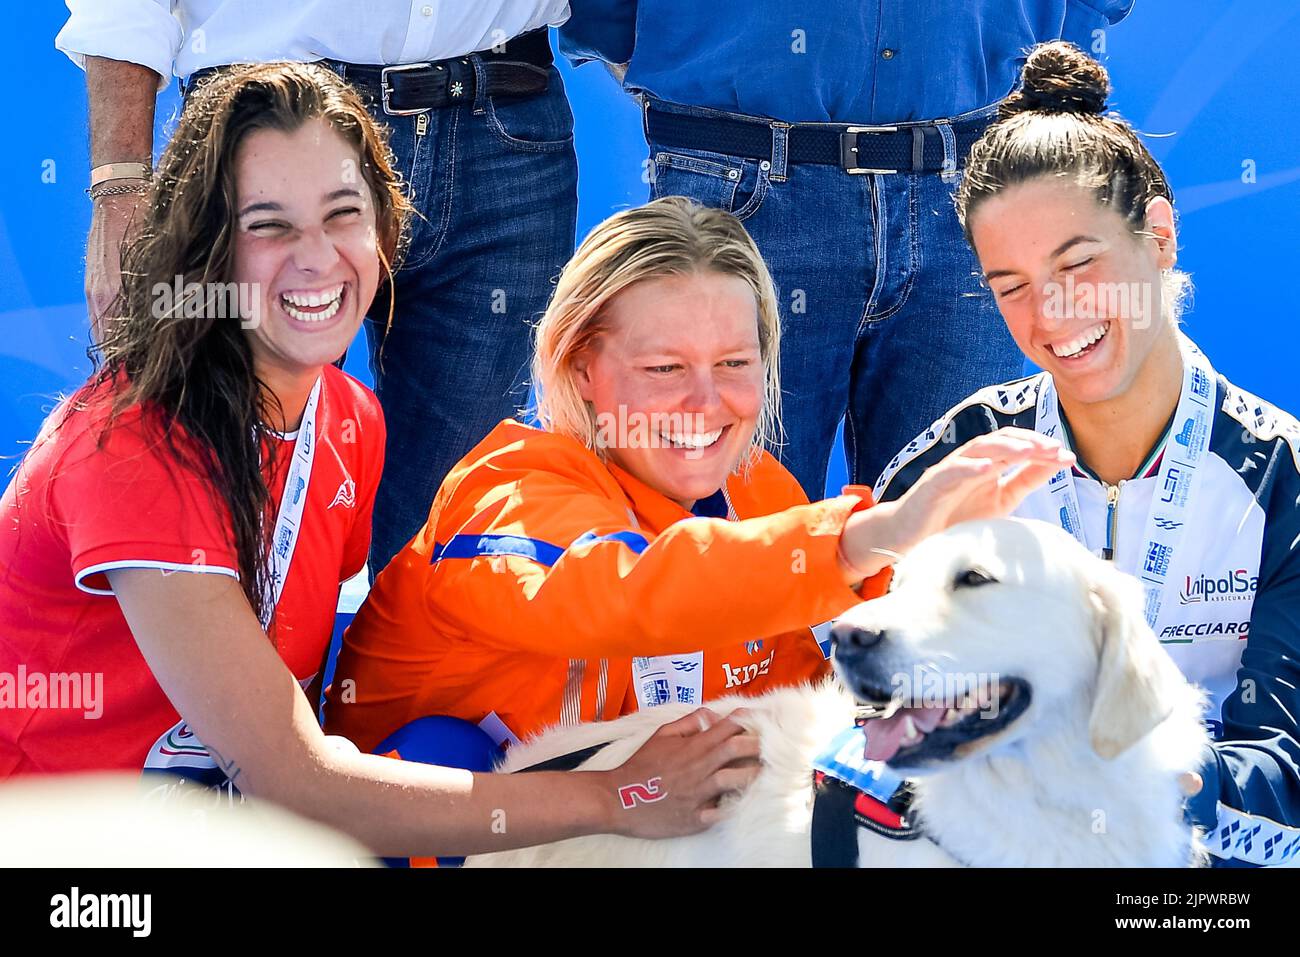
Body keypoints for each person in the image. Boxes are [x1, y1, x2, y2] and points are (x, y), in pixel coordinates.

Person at [0, 63, 763, 859]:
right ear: (210, 251)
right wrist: (623, 793)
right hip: (66, 859)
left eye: (343, 215)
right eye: (270, 226)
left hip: (222, 839)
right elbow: (299, 781)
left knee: (442, 751)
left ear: (384, 228)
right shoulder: (136, 448)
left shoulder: (349, 421)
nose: (317, 257)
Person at [324, 195, 1073, 752]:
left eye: (734, 365)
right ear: (581, 367)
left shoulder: (759, 496)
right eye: (664, 367)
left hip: (653, 843)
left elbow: (831, 701)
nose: (706, 403)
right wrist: (869, 536)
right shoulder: (507, 492)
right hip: (460, 847)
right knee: (442, 752)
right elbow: (631, 589)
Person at [874, 42, 1300, 868]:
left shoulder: (1281, 476)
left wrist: (1126, 774)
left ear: (1160, 236)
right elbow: (873, 711)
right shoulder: (960, 464)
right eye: (1012, 285)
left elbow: (1287, 761)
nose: (1052, 312)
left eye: (1079, 262)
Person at [56, 0, 580, 573]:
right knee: (211, 506)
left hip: (507, 120)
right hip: (267, 125)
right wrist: (119, 186)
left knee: (446, 546)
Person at [559, 0, 1133, 502]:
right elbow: (606, 17)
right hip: (741, 179)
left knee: (951, 550)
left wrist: (1054, 53)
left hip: (971, 185)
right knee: (728, 537)